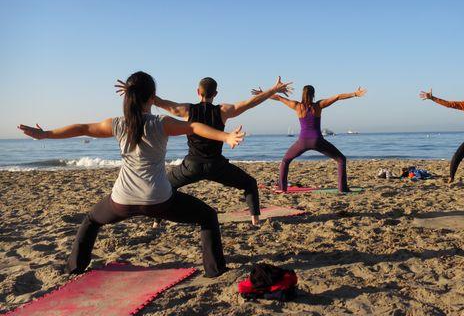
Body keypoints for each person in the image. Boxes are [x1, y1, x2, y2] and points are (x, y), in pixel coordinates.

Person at [18, 71, 245, 278]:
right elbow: (195, 127)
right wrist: (225, 137)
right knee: (207, 216)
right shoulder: (161, 123)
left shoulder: (117, 124)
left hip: (122, 200)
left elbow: (82, 128)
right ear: (152, 98)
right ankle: (215, 271)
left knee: (91, 221)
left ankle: (74, 268)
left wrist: (45, 134)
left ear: (128, 97)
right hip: (159, 199)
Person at [116, 76, 292, 225]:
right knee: (249, 184)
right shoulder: (224, 110)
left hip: (191, 166)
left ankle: (156, 222)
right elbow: (251, 103)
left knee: (166, 187)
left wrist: (135, 89)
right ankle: (255, 220)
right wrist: (272, 89)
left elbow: (157, 101)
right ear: (215, 94)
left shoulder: (187, 110)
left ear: (198, 92)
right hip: (217, 165)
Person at [252, 85, 367, 193]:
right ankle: (342, 188)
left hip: (302, 141)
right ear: (313, 95)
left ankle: (282, 188)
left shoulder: (296, 106)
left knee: (285, 161)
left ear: (302, 94)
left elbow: (278, 97)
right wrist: (355, 94)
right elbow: (337, 97)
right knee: (341, 159)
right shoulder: (318, 105)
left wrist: (262, 94)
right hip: (317, 140)